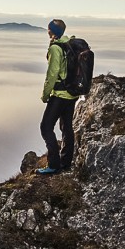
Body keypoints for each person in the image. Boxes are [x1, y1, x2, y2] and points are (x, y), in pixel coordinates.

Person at [36, 19, 79, 175]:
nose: (47, 31)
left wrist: (45, 95)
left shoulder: (56, 48)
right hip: (72, 94)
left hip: (60, 94)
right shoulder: (69, 42)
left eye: (48, 29)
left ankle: (54, 165)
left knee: (46, 127)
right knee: (66, 127)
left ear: (52, 31)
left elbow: (52, 74)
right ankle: (66, 162)